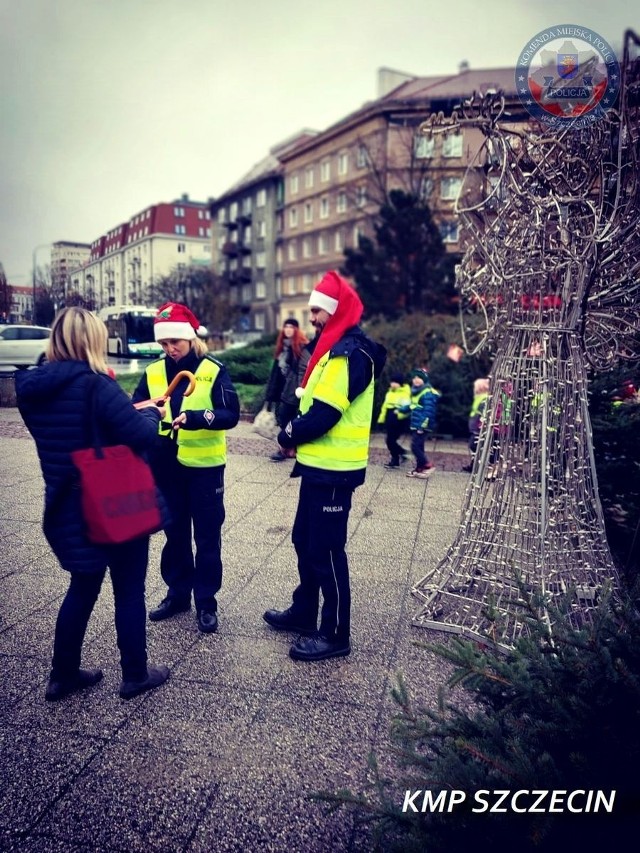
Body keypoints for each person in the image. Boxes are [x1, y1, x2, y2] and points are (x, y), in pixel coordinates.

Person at [15, 307, 170, 701]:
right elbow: (140, 436)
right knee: (129, 589)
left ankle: (62, 674)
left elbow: (78, 433)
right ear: (92, 341)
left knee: (82, 589)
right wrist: (153, 413)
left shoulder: (34, 392)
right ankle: (135, 674)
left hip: (69, 505)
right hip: (113, 503)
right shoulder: (96, 385)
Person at [262, 271, 386, 661]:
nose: (312, 318)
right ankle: (304, 612)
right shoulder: (334, 349)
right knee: (304, 541)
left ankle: (334, 634)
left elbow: (324, 414)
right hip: (319, 467)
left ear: (334, 310)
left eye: (317, 311)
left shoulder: (350, 354)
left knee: (327, 551)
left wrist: (287, 434)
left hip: (335, 471)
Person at [132, 302, 240, 634]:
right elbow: (134, 409)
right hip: (165, 465)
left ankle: (206, 602)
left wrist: (195, 419)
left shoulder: (212, 369)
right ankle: (178, 594)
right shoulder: (152, 373)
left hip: (205, 469)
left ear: (190, 338)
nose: (170, 349)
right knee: (174, 534)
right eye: (164, 344)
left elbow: (230, 414)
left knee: (207, 537)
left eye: (175, 341)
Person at [265, 318, 309, 462]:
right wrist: (270, 393)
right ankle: (290, 448)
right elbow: (275, 373)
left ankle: (285, 449)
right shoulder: (282, 348)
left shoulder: (301, 347)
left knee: (287, 419)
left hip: (294, 390)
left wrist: (301, 389)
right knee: (283, 419)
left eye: (291, 327)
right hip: (282, 389)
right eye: (286, 327)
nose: (288, 329)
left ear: (297, 329)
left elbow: (304, 369)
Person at [404, 368, 441, 479]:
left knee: (414, 446)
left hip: (422, 424)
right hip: (417, 423)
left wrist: (422, 426)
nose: (415, 380)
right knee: (419, 446)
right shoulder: (417, 391)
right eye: (414, 378)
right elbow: (414, 406)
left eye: (419, 378)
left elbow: (428, 411)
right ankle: (419, 468)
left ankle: (427, 465)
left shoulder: (427, 393)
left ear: (424, 380)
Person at [377, 371, 411, 468]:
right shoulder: (389, 393)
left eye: (395, 382)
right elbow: (384, 407)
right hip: (389, 419)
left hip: (398, 421)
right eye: (392, 382)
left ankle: (401, 454)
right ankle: (397, 458)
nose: (393, 384)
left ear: (400, 383)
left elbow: (407, 408)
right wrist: (381, 420)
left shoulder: (404, 393)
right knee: (389, 441)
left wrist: (398, 417)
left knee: (390, 441)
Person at [462, 377, 490, 472]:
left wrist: (480, 425)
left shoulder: (483, 399)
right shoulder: (479, 398)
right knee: (475, 445)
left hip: (478, 428)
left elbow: (482, 413)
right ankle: (474, 464)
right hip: (475, 427)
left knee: (473, 445)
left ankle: (477, 464)